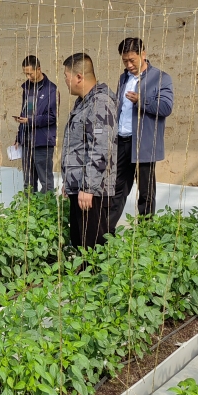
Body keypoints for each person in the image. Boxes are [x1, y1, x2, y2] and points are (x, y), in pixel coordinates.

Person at [107, 37, 174, 232]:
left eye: (132, 60)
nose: (128, 65)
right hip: (122, 141)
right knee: (117, 189)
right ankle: (106, 232)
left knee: (146, 192)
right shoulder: (123, 78)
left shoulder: (161, 78)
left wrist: (141, 100)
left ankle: (145, 233)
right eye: (125, 61)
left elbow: (166, 107)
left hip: (144, 143)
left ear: (143, 54)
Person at [61, 52, 118, 248]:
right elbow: (79, 146)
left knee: (93, 246)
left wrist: (88, 187)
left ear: (78, 77)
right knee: (80, 243)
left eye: (66, 76)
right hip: (81, 187)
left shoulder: (100, 103)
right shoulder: (83, 102)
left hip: (93, 192)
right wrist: (70, 180)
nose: (65, 81)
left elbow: (100, 148)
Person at [12, 55, 58, 192]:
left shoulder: (51, 89)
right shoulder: (27, 88)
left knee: (46, 182)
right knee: (28, 183)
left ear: (39, 69)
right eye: (25, 74)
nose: (28, 77)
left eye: (30, 73)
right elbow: (25, 112)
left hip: (42, 142)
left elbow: (52, 117)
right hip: (27, 142)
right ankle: (28, 206)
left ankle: (46, 206)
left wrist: (30, 121)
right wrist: (19, 136)